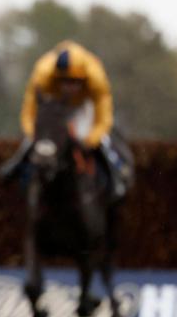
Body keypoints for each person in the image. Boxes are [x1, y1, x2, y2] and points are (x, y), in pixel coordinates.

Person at [13, 40, 132, 199]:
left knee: (99, 139)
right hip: (53, 103)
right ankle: (14, 168)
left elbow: (104, 118)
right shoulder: (42, 73)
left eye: (75, 81)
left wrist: (91, 140)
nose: (69, 87)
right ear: (56, 77)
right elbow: (29, 113)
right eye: (64, 81)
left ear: (83, 79)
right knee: (35, 142)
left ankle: (118, 171)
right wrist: (34, 135)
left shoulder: (95, 76)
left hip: (82, 105)